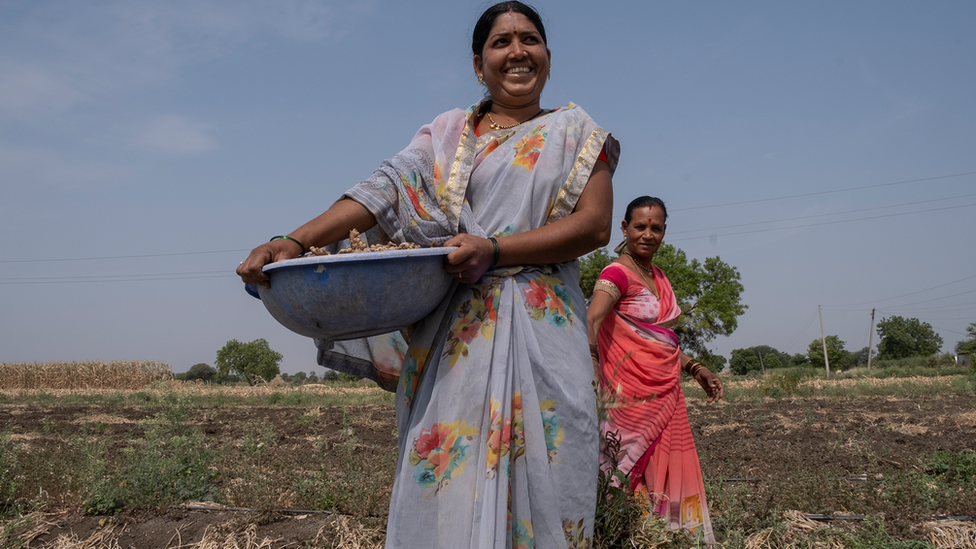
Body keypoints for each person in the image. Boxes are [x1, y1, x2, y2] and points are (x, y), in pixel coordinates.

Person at [237, 2, 618, 547]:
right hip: (452, 338)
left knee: (550, 483)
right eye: (501, 42)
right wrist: (294, 241)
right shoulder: (445, 136)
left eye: (529, 39)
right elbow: (378, 195)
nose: (517, 52)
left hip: (544, 332)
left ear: (549, 57)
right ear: (477, 63)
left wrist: (495, 248)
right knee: (445, 489)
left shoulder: (578, 132)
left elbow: (595, 226)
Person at [586, 196, 723, 544]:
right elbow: (592, 317)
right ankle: (625, 536)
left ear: (664, 231)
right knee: (626, 470)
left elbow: (661, 340)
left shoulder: (658, 276)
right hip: (628, 400)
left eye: (656, 228)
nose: (648, 234)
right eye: (640, 226)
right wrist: (589, 365)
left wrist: (695, 368)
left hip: (667, 395)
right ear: (624, 228)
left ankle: (665, 538)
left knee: (663, 470)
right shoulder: (615, 273)